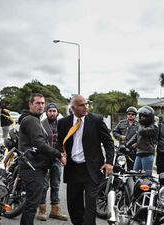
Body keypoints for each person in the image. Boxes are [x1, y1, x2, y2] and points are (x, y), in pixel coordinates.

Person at [57, 95, 114, 225]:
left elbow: (108, 142)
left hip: (92, 169)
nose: (86, 107)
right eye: (82, 105)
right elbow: (60, 142)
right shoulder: (64, 123)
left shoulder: (96, 120)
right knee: (74, 205)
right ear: (73, 108)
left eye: (86, 104)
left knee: (91, 205)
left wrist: (109, 162)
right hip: (73, 169)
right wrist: (61, 154)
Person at [18, 93, 66, 225]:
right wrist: (59, 154)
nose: (40, 106)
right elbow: (40, 143)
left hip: (33, 166)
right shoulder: (31, 120)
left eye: (42, 103)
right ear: (30, 104)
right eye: (37, 103)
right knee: (31, 205)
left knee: (31, 203)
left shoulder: (33, 119)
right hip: (33, 168)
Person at [37, 102, 68, 221]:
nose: (52, 113)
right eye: (50, 111)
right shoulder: (41, 124)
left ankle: (55, 210)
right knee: (44, 185)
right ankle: (42, 209)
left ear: (57, 113)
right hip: (45, 159)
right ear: (46, 112)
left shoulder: (61, 124)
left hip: (56, 159)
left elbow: (64, 141)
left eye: (54, 111)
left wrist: (63, 153)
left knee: (55, 185)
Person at [126, 106, 158, 174]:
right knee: (134, 174)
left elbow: (141, 131)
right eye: (141, 116)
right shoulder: (142, 125)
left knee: (146, 176)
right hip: (139, 153)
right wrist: (127, 145)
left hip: (147, 153)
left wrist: (140, 124)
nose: (141, 118)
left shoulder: (154, 126)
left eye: (143, 116)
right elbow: (136, 136)